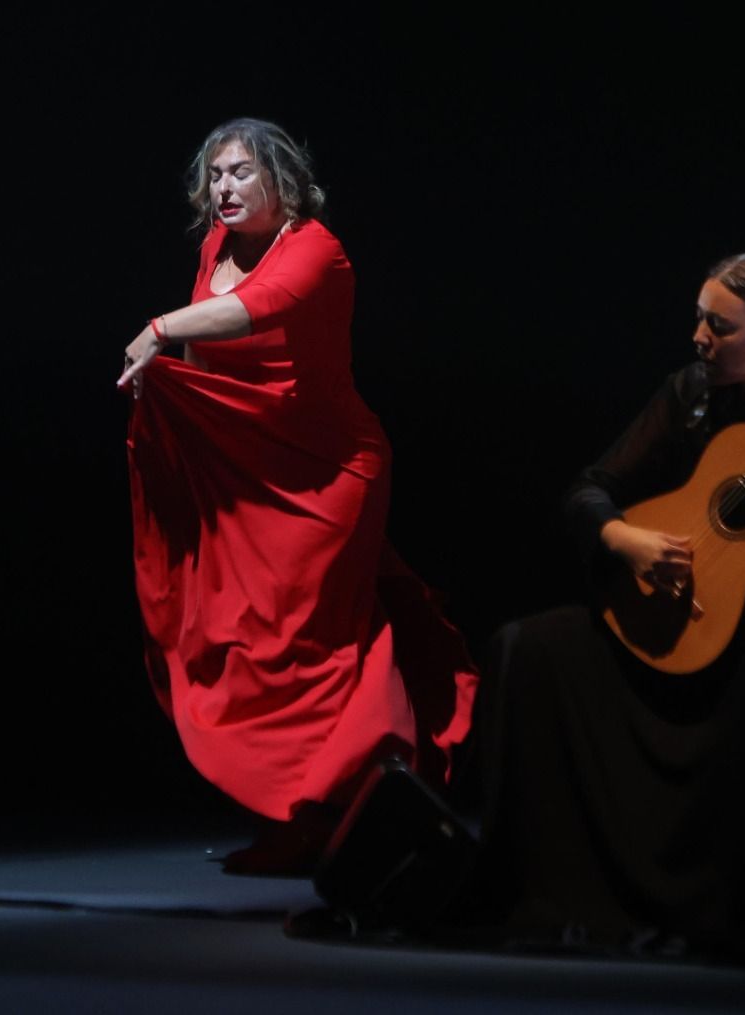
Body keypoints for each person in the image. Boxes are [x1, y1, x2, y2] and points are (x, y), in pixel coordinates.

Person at [471, 251, 745, 949]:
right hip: (698, 613)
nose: (699, 337)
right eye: (699, 319)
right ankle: (555, 893)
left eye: (721, 324)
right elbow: (590, 487)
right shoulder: (689, 394)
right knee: (528, 646)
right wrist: (625, 540)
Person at [120, 118, 477, 873]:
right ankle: (298, 814)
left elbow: (260, 309)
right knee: (251, 646)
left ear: (282, 181)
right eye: (216, 175)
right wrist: (179, 407)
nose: (225, 188)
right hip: (254, 474)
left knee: (315, 642)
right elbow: (205, 354)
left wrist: (157, 330)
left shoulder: (318, 248)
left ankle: (367, 806)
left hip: (327, 474)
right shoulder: (215, 247)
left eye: (242, 173)